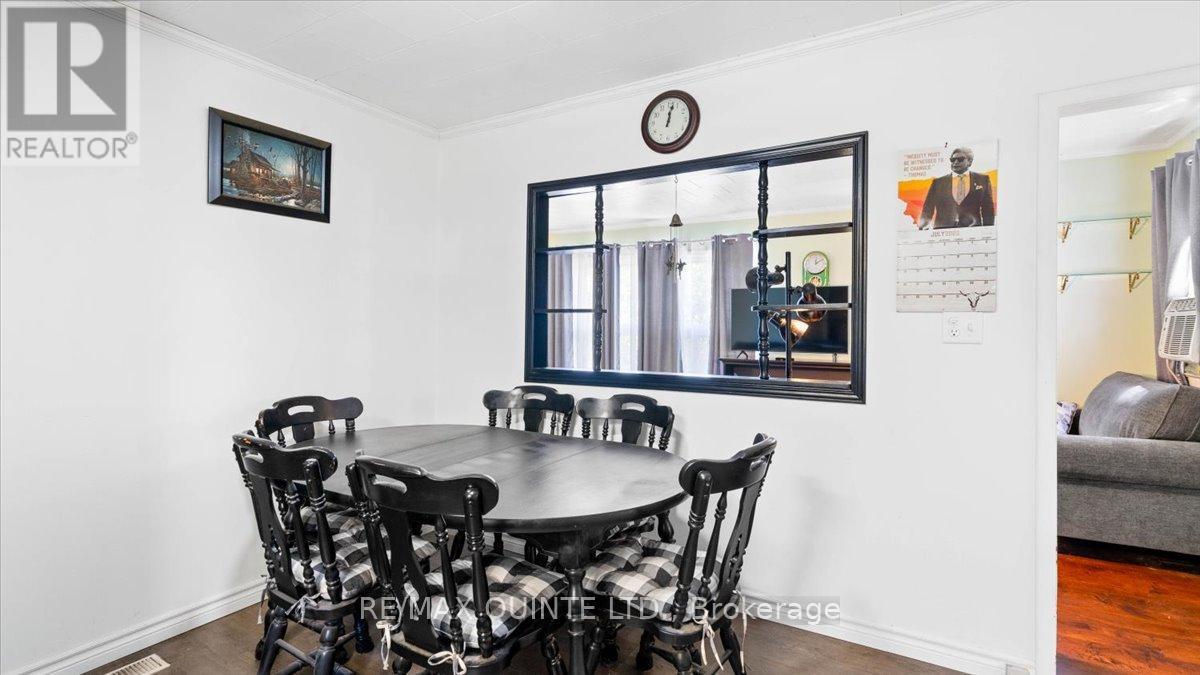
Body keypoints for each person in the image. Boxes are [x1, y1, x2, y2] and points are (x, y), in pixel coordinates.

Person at [918, 147, 995, 229]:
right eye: (952, 160)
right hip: (943, 232)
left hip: (971, 231)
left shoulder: (982, 180)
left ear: (970, 161)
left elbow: (988, 210)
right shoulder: (938, 183)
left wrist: (988, 231)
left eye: (960, 159)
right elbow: (927, 210)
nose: (955, 162)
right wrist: (922, 229)